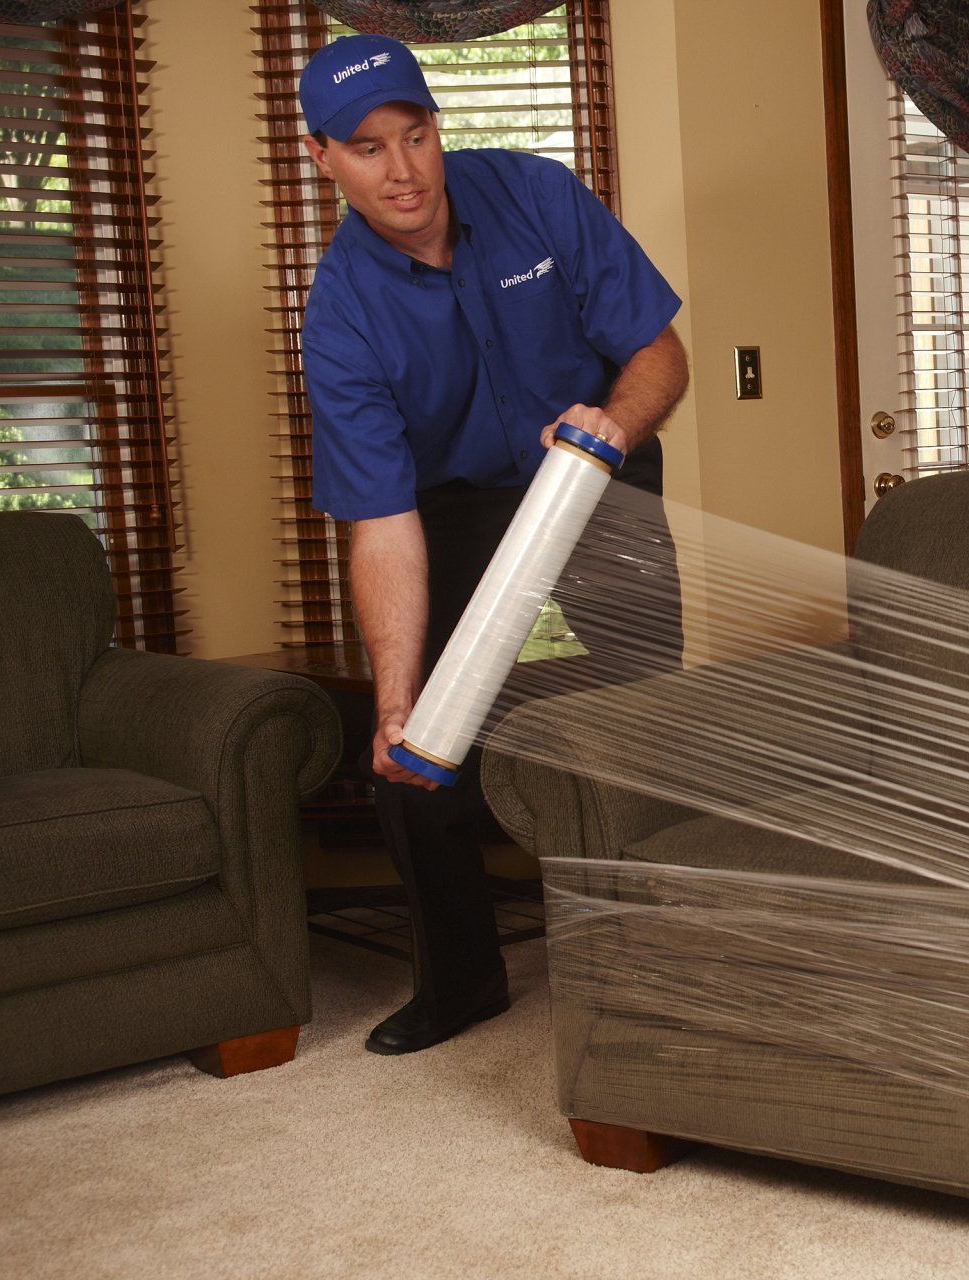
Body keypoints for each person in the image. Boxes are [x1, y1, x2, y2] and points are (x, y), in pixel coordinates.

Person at [297, 33, 688, 1054]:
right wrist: (393, 701)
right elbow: (381, 520)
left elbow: (657, 351)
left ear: (438, 125)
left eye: (416, 134)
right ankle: (463, 979)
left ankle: (656, 957)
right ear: (323, 157)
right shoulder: (341, 313)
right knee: (416, 748)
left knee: (644, 724)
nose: (402, 168)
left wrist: (617, 425)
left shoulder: (537, 196)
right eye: (369, 147)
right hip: (454, 507)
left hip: (598, 468)